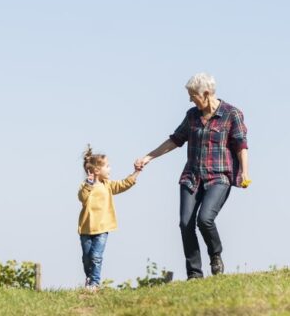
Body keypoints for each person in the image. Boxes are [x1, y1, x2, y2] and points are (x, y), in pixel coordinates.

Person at [137, 72, 250, 280]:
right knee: (185, 223)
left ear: (205, 94)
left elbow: (241, 145)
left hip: (219, 177)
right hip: (192, 177)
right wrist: (149, 156)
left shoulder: (231, 113)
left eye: (193, 95)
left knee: (205, 219)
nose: (190, 99)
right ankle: (194, 274)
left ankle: (215, 255)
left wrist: (245, 172)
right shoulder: (192, 116)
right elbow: (175, 140)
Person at [78, 145, 142, 290]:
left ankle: (94, 283)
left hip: (102, 228)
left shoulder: (107, 185)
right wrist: (88, 184)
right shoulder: (86, 186)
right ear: (96, 170)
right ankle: (89, 278)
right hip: (86, 228)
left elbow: (123, 184)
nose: (110, 169)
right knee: (87, 258)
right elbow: (82, 198)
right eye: (107, 166)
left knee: (96, 257)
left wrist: (136, 173)